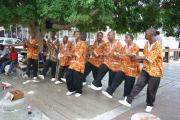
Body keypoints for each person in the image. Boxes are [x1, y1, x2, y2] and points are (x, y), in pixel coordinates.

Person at [119, 28, 163, 112]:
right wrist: (135, 58)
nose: (144, 35)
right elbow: (144, 57)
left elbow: (150, 57)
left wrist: (137, 57)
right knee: (138, 84)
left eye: (146, 34)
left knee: (151, 89)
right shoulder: (146, 43)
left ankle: (150, 104)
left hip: (156, 71)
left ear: (151, 35)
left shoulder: (158, 45)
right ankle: (128, 101)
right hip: (146, 68)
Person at [101, 34, 140, 99]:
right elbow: (120, 55)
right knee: (116, 79)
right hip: (123, 67)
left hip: (131, 69)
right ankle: (109, 92)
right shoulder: (124, 47)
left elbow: (132, 56)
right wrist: (117, 55)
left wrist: (122, 55)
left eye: (126, 38)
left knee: (128, 85)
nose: (125, 39)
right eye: (125, 38)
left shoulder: (135, 46)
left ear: (131, 39)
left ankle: (126, 99)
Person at [65, 32, 87, 97]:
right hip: (73, 63)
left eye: (77, 34)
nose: (76, 35)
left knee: (77, 78)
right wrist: (69, 52)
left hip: (79, 64)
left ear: (80, 35)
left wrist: (69, 53)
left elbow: (78, 54)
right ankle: (71, 90)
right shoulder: (73, 43)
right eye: (75, 34)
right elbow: (70, 53)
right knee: (68, 76)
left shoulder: (83, 43)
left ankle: (79, 91)